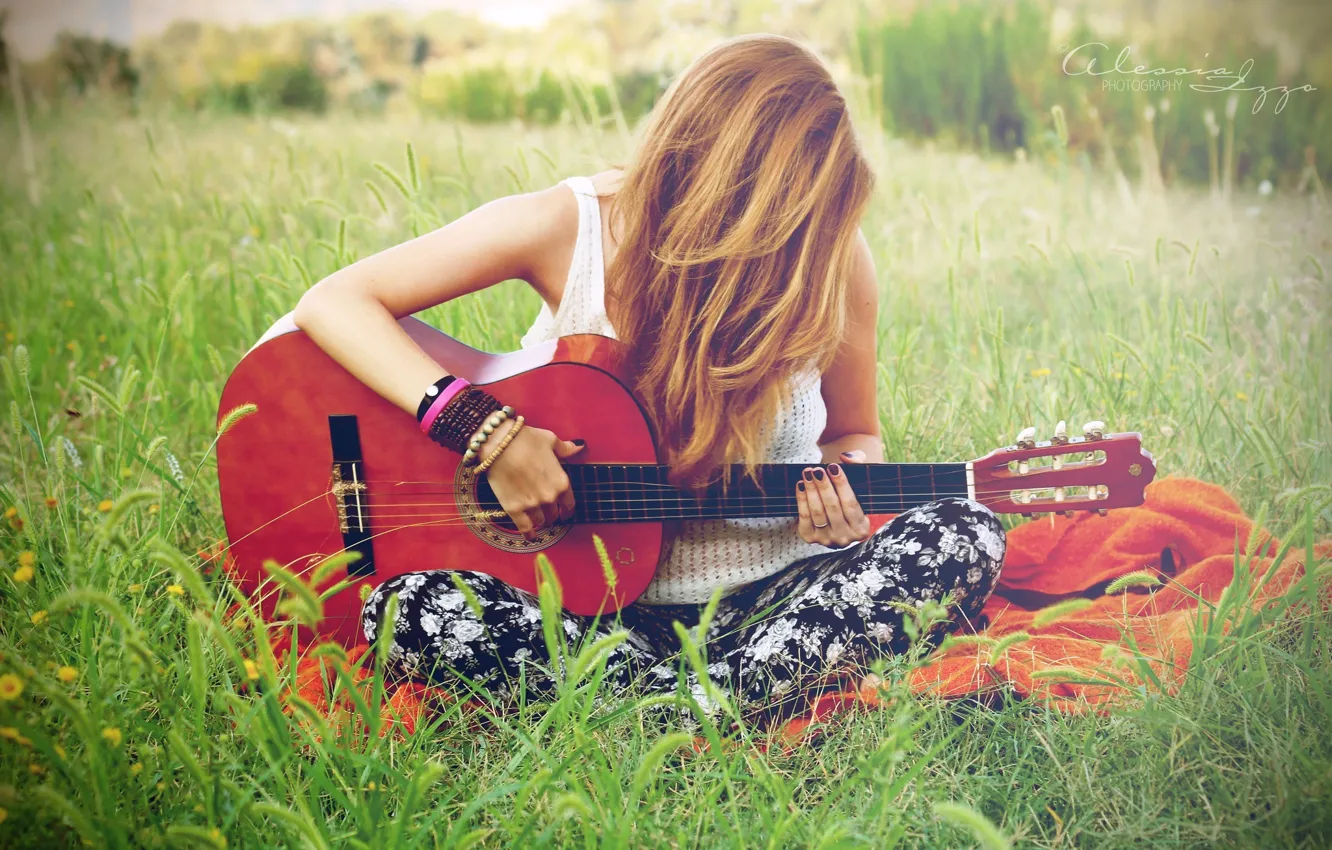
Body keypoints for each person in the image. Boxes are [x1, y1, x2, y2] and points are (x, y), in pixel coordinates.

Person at [293, 34, 1005, 724]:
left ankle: (653, 710)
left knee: (965, 532)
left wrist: (847, 489)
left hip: (783, 598)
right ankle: (728, 700)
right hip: (588, 615)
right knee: (407, 607)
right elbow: (335, 302)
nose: (798, 238)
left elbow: (856, 434)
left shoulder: (828, 251)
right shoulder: (569, 227)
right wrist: (485, 431)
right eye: (783, 217)